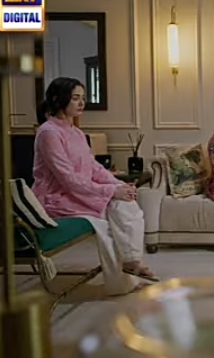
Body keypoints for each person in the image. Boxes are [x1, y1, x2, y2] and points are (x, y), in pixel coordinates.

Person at [32, 77, 157, 296]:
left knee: (127, 204)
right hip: (57, 199)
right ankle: (125, 275)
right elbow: (68, 179)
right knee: (109, 223)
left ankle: (131, 262)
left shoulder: (77, 133)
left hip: (80, 194)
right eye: (75, 98)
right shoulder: (48, 133)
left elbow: (94, 168)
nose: (82, 103)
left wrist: (120, 185)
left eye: (83, 98)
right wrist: (111, 191)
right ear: (58, 99)